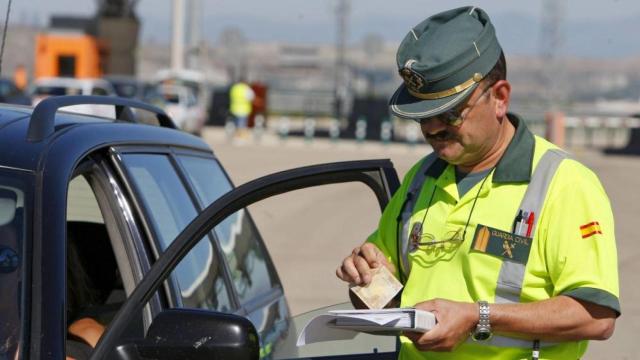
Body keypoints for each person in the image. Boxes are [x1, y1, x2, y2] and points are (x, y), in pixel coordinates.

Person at [336, 6, 619, 360]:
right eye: (422, 117)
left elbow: (596, 315)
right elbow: (387, 300)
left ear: (499, 97)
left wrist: (477, 317)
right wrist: (365, 278)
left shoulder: (563, 183)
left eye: (450, 113)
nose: (433, 129)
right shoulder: (421, 179)